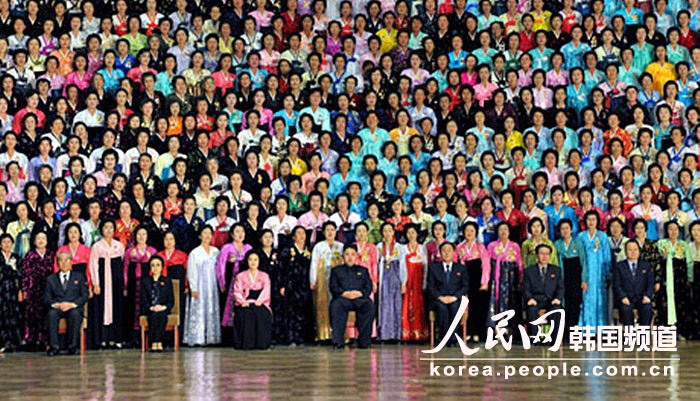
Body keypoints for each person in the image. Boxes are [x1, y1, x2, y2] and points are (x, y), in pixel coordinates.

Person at [88, 220, 126, 349]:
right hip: (102, 281)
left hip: (116, 281)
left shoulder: (119, 246)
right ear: (101, 229)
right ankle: (102, 339)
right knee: (102, 309)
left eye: (111, 227)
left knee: (117, 308)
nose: (109, 230)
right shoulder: (97, 246)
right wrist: (96, 283)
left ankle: (116, 339)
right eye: (106, 227)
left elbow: (122, 265)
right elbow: (93, 265)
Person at [329, 244, 375, 349]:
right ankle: (338, 342)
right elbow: (333, 286)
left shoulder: (363, 270)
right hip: (343, 299)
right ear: (343, 256)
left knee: (369, 306)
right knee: (336, 306)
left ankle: (364, 341)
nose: (350, 257)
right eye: (347, 254)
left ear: (356, 256)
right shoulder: (336, 270)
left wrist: (360, 293)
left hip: (359, 299)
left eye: (352, 254)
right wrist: (344, 293)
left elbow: (368, 286)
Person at [44, 251, 89, 356]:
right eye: (61, 260)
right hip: (58, 307)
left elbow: (84, 295)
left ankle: (72, 347)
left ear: (71, 262)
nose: (64, 263)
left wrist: (73, 304)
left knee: (75, 314)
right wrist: (57, 305)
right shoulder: (51, 279)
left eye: (67, 260)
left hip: (73, 307)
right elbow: (46, 298)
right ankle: (54, 347)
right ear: (57, 263)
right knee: (51, 314)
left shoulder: (79, 277)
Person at [426, 242, 469, 347]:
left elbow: (465, 286)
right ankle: (444, 337)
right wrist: (440, 297)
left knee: (455, 307)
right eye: (444, 251)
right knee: (442, 308)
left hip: (455, 299)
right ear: (440, 253)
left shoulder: (461, 268)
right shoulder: (433, 268)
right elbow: (430, 286)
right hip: (439, 299)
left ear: (454, 252)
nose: (447, 253)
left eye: (449, 250)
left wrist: (455, 297)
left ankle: (453, 338)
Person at [183, 225, 221, 346]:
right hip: (199, 285)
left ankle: (211, 338)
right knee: (198, 309)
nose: (207, 236)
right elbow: (191, 271)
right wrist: (193, 287)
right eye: (204, 233)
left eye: (209, 233)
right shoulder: (195, 253)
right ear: (200, 236)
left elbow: (219, 270)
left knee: (211, 308)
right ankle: (197, 338)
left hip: (212, 286)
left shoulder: (216, 251)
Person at [309, 221, 344, 342]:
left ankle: (339, 334)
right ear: (323, 232)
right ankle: (324, 334)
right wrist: (313, 280)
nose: (330, 232)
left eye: (332, 230)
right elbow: (313, 264)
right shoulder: (319, 246)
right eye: (327, 230)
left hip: (338, 280)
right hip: (322, 279)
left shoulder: (340, 247)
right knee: (322, 305)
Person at [232, 250, 272, 350]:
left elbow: (266, 291)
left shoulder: (264, 276)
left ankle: (261, 343)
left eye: (255, 260)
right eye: (250, 260)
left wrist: (260, 301)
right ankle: (246, 343)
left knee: (261, 313)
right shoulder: (240, 276)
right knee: (246, 314)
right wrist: (242, 302)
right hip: (245, 302)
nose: (253, 262)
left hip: (260, 301)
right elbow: (237, 291)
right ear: (247, 261)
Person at [522, 244, 564, 337]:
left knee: (557, 310)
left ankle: (555, 339)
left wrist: (557, 298)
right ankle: (535, 339)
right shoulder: (529, 271)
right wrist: (529, 299)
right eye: (542, 254)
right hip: (535, 301)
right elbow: (525, 288)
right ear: (537, 255)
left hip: (551, 301)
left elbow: (560, 287)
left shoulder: (556, 270)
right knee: (532, 310)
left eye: (547, 254)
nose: (544, 256)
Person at [613, 241, 654, 326]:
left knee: (647, 308)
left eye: (635, 249)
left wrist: (647, 296)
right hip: (626, 299)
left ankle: (642, 335)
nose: (633, 252)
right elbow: (617, 285)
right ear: (625, 251)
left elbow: (650, 283)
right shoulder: (619, 266)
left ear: (639, 251)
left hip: (641, 298)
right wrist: (623, 297)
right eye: (630, 250)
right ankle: (630, 335)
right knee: (625, 310)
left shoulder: (646, 265)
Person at [141, 255, 174, 352]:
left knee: (161, 315)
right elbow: (143, 300)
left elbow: (171, 300)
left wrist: (163, 307)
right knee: (154, 315)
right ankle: (154, 343)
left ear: (162, 267)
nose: (155, 268)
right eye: (153, 265)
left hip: (163, 308)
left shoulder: (167, 281)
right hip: (150, 309)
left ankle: (159, 342)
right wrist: (151, 307)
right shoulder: (145, 281)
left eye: (158, 265)